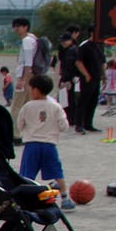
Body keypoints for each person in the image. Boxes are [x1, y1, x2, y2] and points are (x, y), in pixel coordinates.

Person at [17, 73, 74, 209]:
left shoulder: (28, 106)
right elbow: (64, 126)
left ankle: (23, 199)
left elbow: (19, 124)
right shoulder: (55, 106)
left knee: (26, 174)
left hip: (32, 145)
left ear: (36, 90)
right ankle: (65, 198)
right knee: (56, 172)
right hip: (49, 145)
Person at [10, 17, 46, 123]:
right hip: (31, 75)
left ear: (26, 27)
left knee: (17, 105)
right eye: (14, 26)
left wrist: (23, 80)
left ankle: (15, 132)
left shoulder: (27, 41)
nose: (16, 29)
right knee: (28, 103)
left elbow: (28, 62)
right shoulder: (33, 38)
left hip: (25, 75)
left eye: (18, 26)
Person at [73, 27, 105, 132]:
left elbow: (102, 61)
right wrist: (86, 74)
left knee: (93, 101)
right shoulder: (85, 46)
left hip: (97, 77)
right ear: (92, 32)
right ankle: (79, 124)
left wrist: (104, 75)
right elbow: (78, 62)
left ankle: (88, 124)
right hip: (88, 78)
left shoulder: (100, 45)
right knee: (84, 101)